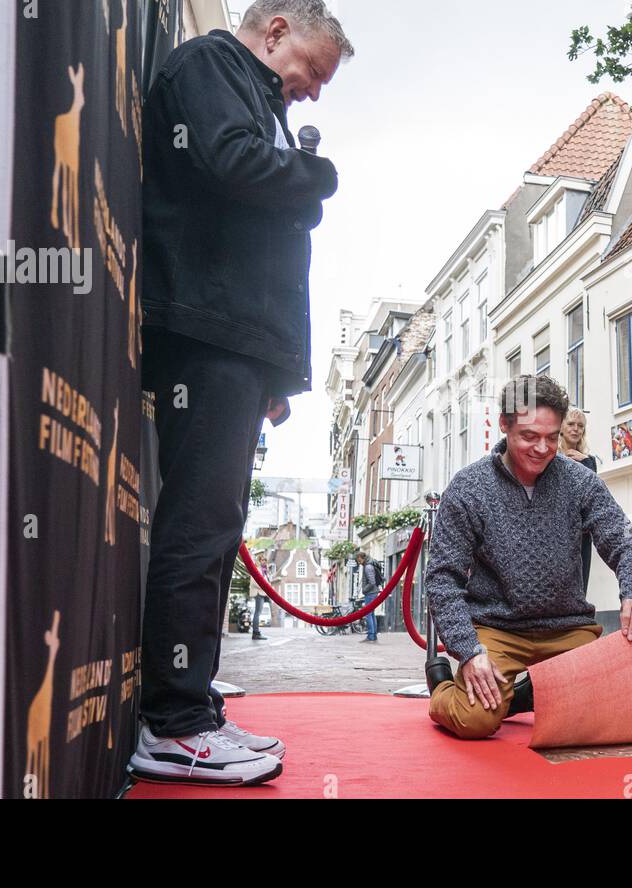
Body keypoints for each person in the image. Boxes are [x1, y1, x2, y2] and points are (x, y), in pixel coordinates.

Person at [129, 1, 354, 787]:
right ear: (277, 31)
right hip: (209, 332)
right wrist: (316, 177)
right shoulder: (211, 66)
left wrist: (275, 375)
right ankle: (174, 721)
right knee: (199, 520)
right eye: (314, 72)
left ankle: (188, 689)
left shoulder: (251, 94)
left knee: (216, 524)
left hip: (234, 342)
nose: (315, 93)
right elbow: (229, 161)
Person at [424, 376, 632, 739]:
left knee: (609, 713)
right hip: (496, 628)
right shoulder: (469, 487)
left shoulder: (581, 481)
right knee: (476, 721)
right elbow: (442, 577)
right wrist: (468, 650)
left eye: (552, 437)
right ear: (504, 425)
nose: (542, 448)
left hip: (567, 626)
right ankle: (442, 690)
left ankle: (518, 696)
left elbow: (624, 541)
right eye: (529, 436)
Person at [559, 407, 598, 594]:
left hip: (582, 533)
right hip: (557, 530)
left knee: (580, 588)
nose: (576, 429)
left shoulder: (589, 460)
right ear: (561, 427)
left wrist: (586, 462)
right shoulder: (550, 456)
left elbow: (591, 494)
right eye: (571, 424)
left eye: (580, 426)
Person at [355, 551, 381, 643]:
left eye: (359, 560)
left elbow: (372, 582)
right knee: (371, 614)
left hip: (371, 593)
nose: (359, 562)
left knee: (368, 614)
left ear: (362, 558)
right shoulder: (369, 564)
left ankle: (371, 636)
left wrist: (364, 590)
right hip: (373, 592)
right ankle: (373, 635)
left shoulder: (368, 567)